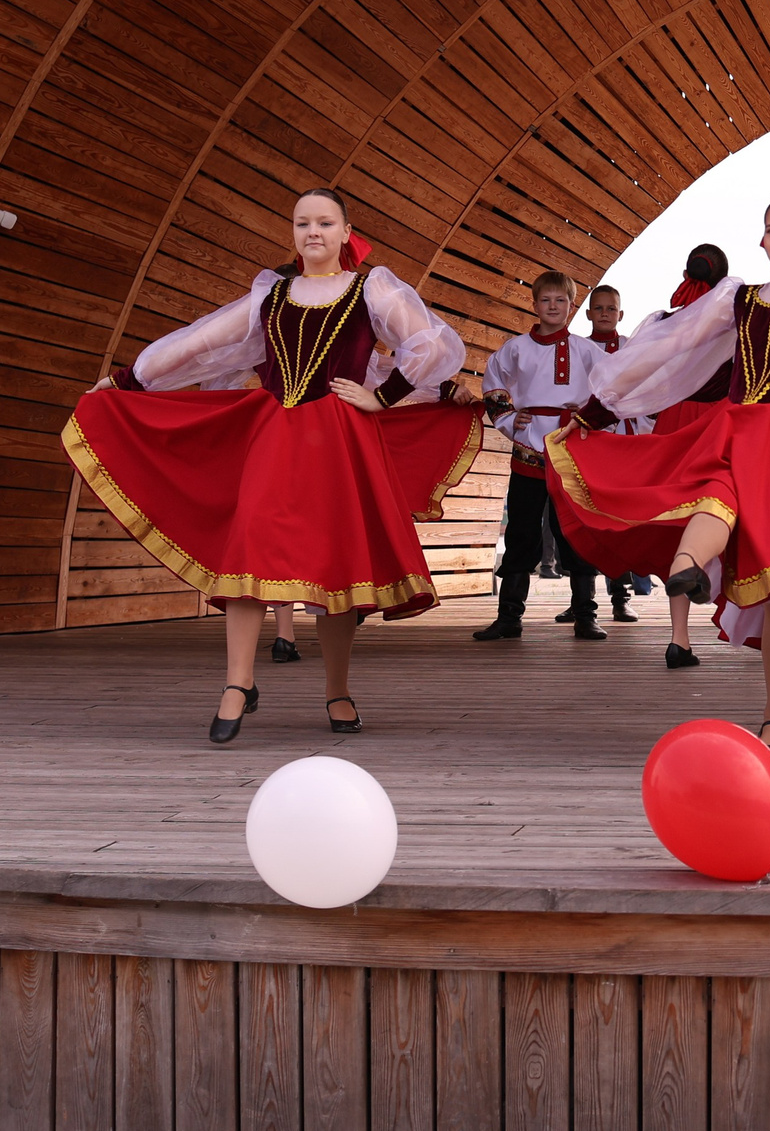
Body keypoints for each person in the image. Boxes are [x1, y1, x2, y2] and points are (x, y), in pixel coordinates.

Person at [66, 187, 479, 743]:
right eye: (303, 222)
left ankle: (337, 689)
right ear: (293, 231)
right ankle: (238, 683)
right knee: (249, 553)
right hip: (275, 437)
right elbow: (202, 343)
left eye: (325, 223)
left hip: (339, 440)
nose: (313, 231)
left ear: (344, 231)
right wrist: (128, 381)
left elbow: (431, 344)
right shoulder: (271, 295)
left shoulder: (372, 288)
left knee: (337, 562)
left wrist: (383, 397)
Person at [546, 193, 770, 756]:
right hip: (739, 430)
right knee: (715, 496)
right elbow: (666, 350)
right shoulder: (738, 300)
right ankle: (687, 569)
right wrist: (595, 411)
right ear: (762, 240)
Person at [468, 272, 608, 642]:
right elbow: (494, 384)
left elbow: (612, 384)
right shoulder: (516, 348)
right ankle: (509, 618)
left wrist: (588, 415)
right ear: (534, 304)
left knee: (574, 530)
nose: (553, 307)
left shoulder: (586, 350)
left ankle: (585, 616)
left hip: (570, 447)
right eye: (546, 300)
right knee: (521, 532)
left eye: (560, 301)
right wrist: (512, 419)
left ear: (570, 306)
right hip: (528, 448)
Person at [631, 244, 737, 669]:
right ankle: (755, 626)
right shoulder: (735, 319)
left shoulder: (663, 322)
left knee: (680, 524)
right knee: (733, 519)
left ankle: (680, 639)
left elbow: (634, 374)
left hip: (674, 425)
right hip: (720, 425)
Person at [574, 283, 643, 625]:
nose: (604, 313)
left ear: (620, 314)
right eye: (598, 308)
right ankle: (581, 600)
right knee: (582, 520)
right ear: (588, 313)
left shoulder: (633, 348)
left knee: (618, 523)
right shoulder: (574, 349)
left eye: (610, 308)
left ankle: (621, 598)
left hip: (622, 445)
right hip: (587, 442)